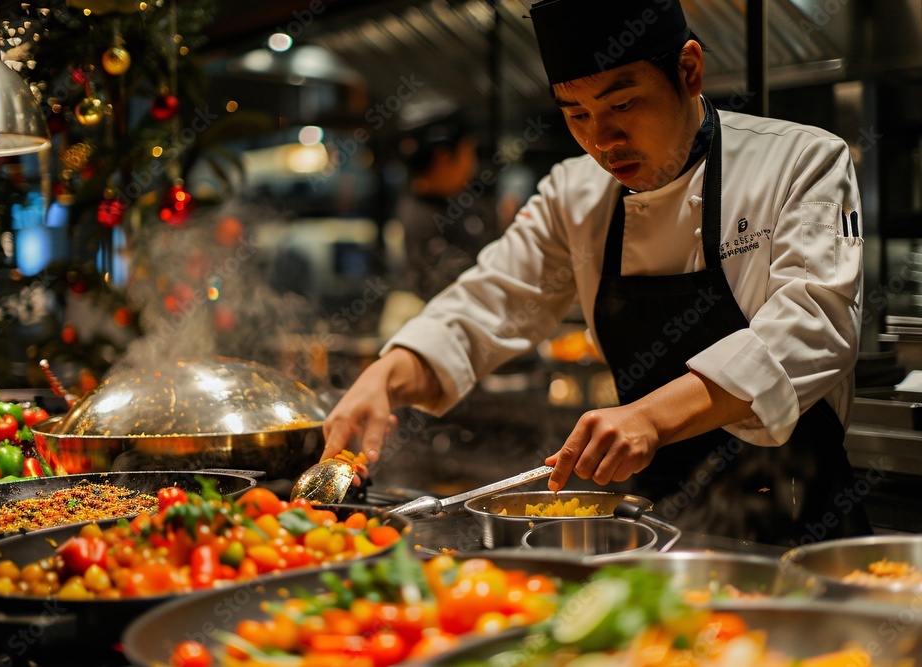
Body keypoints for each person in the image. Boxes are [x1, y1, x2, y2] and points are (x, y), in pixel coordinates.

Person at [322, 0, 871, 546]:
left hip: (802, 518)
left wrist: (650, 418)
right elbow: (487, 302)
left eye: (623, 104)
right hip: (665, 527)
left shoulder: (799, 161)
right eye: (576, 114)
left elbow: (814, 324)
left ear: (689, 70)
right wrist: (383, 377)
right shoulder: (573, 194)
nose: (602, 140)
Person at [394, 109, 500, 301]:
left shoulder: (458, 201)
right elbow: (450, 292)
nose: (472, 163)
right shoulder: (421, 219)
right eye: (468, 152)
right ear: (443, 158)